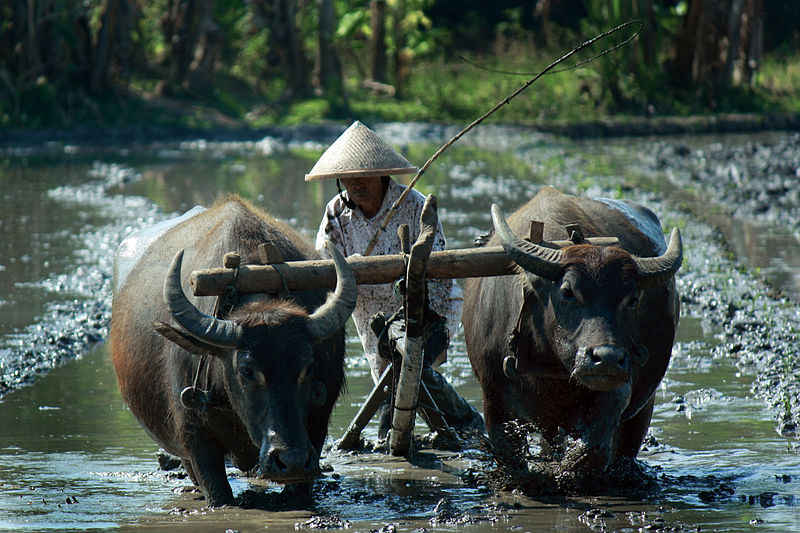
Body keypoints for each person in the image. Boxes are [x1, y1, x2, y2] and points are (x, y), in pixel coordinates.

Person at [306, 121, 484, 439]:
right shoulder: (335, 215)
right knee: (398, 379)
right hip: (371, 317)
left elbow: (440, 273)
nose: (356, 185)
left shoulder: (413, 206)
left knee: (406, 372)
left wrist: (429, 321)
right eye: (348, 178)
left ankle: (399, 439)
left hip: (427, 308)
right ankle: (457, 432)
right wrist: (351, 269)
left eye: (364, 177)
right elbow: (324, 268)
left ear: (383, 174)